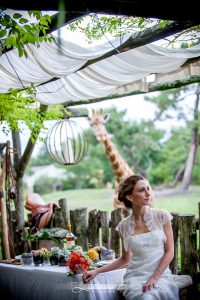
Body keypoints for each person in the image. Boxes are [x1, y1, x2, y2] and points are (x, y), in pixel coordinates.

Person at [83, 174, 179, 300]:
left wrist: (154, 277)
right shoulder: (123, 226)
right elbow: (125, 260)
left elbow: (170, 251)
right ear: (130, 197)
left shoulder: (162, 216)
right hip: (136, 277)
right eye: (141, 190)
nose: (148, 193)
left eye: (148, 188)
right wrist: (96, 271)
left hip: (160, 275)